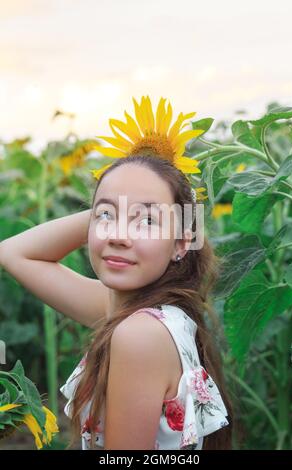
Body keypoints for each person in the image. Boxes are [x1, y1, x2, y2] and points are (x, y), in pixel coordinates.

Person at [0, 96, 234, 450]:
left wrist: (122, 204)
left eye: (148, 221)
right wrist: (125, 200)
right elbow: (14, 253)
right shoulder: (148, 313)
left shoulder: (139, 334)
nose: (119, 237)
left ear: (181, 244)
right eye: (106, 216)